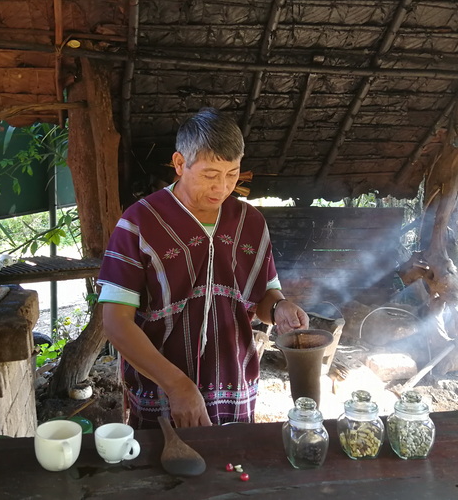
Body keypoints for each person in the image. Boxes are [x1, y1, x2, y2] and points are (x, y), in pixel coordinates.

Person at [98, 107, 308, 429]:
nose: (222, 188)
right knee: (164, 470)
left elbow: (264, 295)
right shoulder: (139, 223)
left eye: (232, 174)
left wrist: (279, 307)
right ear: (180, 164)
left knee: (229, 471)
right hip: (161, 389)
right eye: (210, 175)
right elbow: (115, 321)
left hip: (235, 385)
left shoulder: (250, 222)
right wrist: (177, 386)